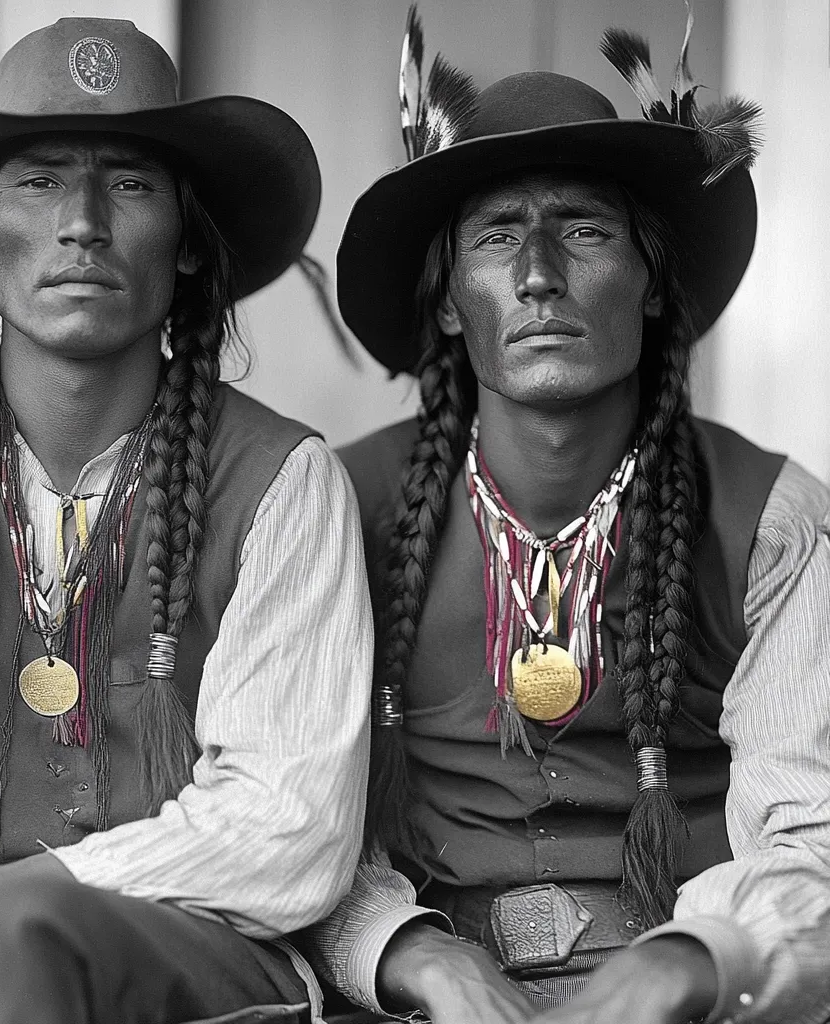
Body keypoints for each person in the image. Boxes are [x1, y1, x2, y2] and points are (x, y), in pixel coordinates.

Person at [0, 18, 373, 1024]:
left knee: (16, 938)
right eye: (39, 179)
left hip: (185, 953)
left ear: (190, 249)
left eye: (131, 183)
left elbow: (287, 833)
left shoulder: (283, 479)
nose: (82, 221)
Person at [306, 9, 830, 1024]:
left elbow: (811, 836)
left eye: (585, 231)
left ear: (648, 284)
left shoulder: (771, 517)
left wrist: (692, 959)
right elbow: (285, 821)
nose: (540, 275)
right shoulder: (335, 505)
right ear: (450, 300)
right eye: (499, 236)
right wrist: (413, 956)